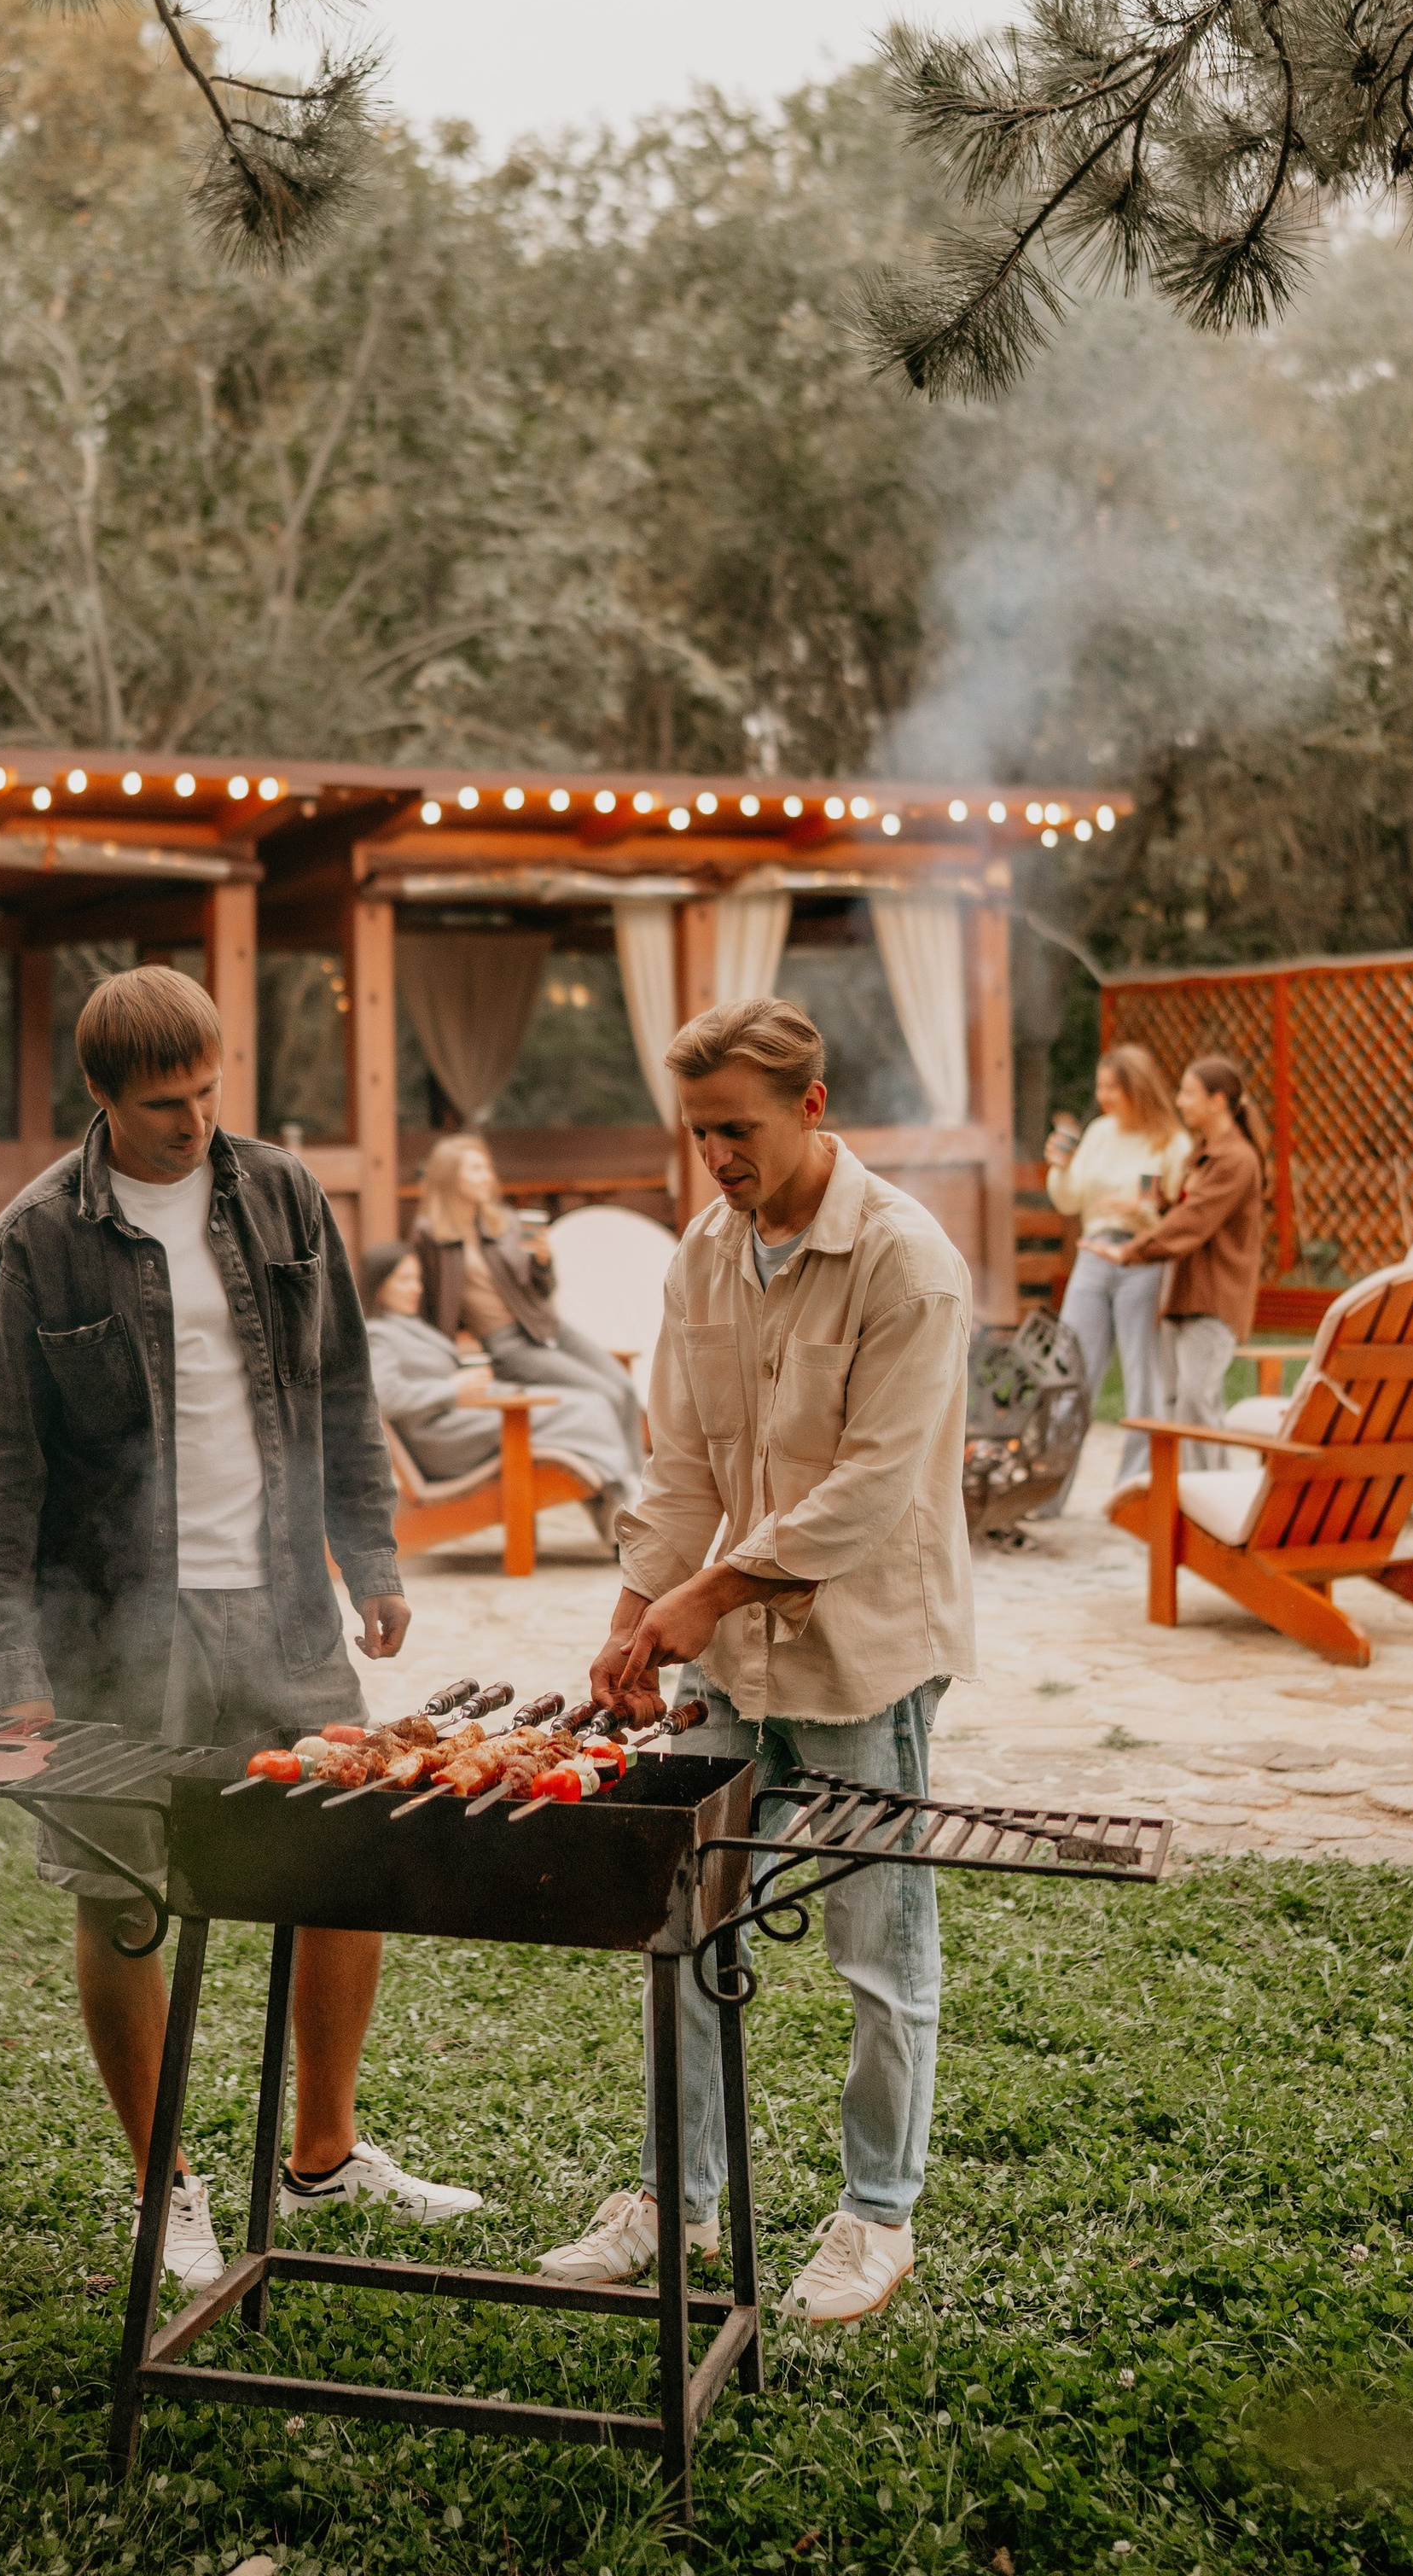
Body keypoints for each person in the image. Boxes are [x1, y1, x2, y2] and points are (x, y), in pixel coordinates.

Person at [0, 966, 481, 2299]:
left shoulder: (281, 1194)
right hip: (113, 1631)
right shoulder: (29, 1245)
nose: (194, 1123)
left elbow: (342, 1384)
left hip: (283, 1603)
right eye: (164, 1105)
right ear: (102, 1097)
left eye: (209, 1091)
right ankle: (161, 2184)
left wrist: (371, 1555)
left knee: (348, 1858)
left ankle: (324, 2154)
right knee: (123, 1896)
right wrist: (10, 1666)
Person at [535, 994, 973, 2328]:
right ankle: (678, 2197)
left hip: (868, 1656)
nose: (717, 1158)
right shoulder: (702, 1256)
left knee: (877, 1946)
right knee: (686, 1917)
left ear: (812, 1108)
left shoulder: (909, 1262)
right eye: (699, 1134)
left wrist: (706, 1594)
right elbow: (680, 1471)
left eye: (739, 1130)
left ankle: (877, 2217)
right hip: (730, 1659)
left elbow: (868, 1495)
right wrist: (632, 1620)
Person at [361, 1236, 638, 1520]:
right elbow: (384, 1397)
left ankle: (614, 1497)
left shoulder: (406, 1325)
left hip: (467, 1420)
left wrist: (478, 1385)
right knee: (586, 1408)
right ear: (379, 1285)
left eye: (417, 1279)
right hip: (447, 1437)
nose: (417, 1288)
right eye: (404, 1280)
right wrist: (451, 1388)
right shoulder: (378, 1336)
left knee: (588, 1403)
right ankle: (622, 1496)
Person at [412, 1133, 643, 1463]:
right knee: (605, 1394)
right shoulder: (429, 1235)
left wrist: (542, 1263)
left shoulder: (502, 1221)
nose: (487, 1177)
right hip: (508, 1344)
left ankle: (636, 1478)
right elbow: (427, 1303)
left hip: (547, 1326)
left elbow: (542, 1290)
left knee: (624, 1387)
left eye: (487, 1168)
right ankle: (621, 1477)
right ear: (450, 1176)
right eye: (476, 1169)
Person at [1044, 1046, 1189, 1489]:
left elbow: (1179, 1218)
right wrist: (1058, 1168)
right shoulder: (1099, 1133)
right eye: (1100, 1086)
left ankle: (1136, 1491)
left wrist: (1140, 1207)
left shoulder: (1171, 1142)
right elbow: (1069, 1200)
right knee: (1070, 1370)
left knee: (1143, 1377)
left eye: (1113, 1087)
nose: (1103, 1096)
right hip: (1093, 1256)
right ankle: (1048, 1490)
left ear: (1137, 1088)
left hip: (1142, 1261)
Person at [1110, 1053, 1265, 1466]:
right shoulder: (1201, 1153)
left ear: (1217, 1101)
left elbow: (1195, 1221)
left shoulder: (1237, 1160)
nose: (1179, 1101)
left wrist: (1129, 1251)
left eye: (1188, 1093)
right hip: (1181, 1295)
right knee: (1179, 1403)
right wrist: (1158, 1203)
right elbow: (1186, 1214)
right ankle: (1195, 1491)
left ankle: (1211, 1492)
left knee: (1197, 1401)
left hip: (1214, 1301)